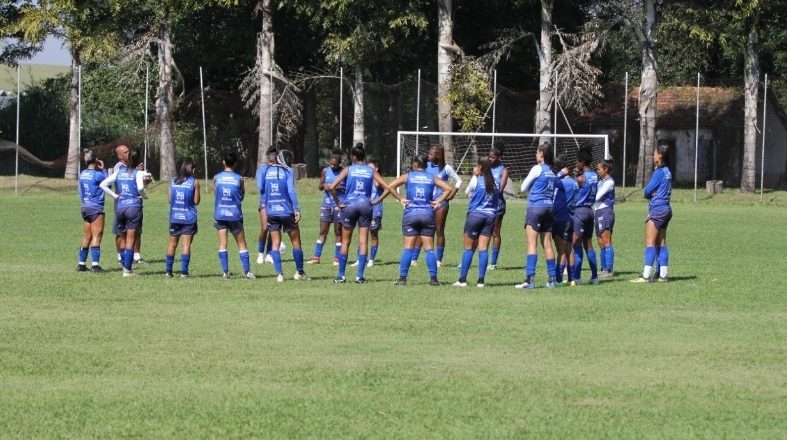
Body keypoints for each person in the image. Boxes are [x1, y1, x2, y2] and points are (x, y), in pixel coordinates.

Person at [327, 143, 403, 284]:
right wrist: (391, 199)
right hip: (366, 206)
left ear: (353, 156)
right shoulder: (370, 171)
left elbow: (332, 187)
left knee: (345, 241)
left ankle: (341, 276)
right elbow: (388, 187)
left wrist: (338, 203)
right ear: (364, 156)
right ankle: (359, 276)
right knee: (363, 241)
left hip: (349, 206)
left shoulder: (348, 169)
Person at [375, 154, 452, 286]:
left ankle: (402, 278)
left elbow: (389, 186)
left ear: (415, 164)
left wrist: (400, 199)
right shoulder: (431, 177)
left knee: (408, 248)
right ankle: (434, 279)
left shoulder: (408, 176)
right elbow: (449, 189)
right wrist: (438, 201)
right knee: (429, 249)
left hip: (411, 214)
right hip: (427, 214)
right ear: (426, 165)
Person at [260, 149, 309, 282]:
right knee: (296, 242)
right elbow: (291, 191)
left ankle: (279, 274)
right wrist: (296, 209)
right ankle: (299, 273)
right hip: (287, 211)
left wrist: (265, 206)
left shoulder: (267, 171)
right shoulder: (288, 171)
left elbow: (263, 190)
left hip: (272, 211)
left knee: (275, 244)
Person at [516, 143, 558, 289]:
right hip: (549, 207)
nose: (535, 155)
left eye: (537, 152)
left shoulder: (537, 168)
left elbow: (522, 187)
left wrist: (533, 190)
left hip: (536, 207)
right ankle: (552, 280)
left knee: (532, 243)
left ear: (541, 154)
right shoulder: (553, 171)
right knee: (547, 244)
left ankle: (530, 280)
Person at [100, 149, 147, 277]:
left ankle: (123, 262)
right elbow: (141, 187)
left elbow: (103, 184)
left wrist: (115, 196)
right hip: (133, 207)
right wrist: (144, 196)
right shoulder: (137, 173)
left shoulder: (119, 171)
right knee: (131, 238)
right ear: (137, 160)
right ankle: (127, 270)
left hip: (120, 207)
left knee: (123, 237)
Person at [453, 158, 499, 288]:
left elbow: (467, 192)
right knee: (483, 249)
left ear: (481, 168)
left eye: (476, 166)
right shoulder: (496, 182)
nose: (475, 168)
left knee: (468, 249)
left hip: (475, 215)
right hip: (490, 217)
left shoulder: (476, 179)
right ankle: (480, 281)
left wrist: (474, 177)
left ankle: (462, 280)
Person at [632, 145, 672, 283]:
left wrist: (651, 192)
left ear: (660, 156)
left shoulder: (659, 172)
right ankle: (663, 275)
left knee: (650, 242)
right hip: (666, 209)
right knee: (662, 242)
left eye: (654, 154)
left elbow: (647, 191)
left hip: (657, 209)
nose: (653, 156)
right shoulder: (667, 171)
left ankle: (646, 275)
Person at [418, 145, 462, 267]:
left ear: (438, 155)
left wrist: (453, 193)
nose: (429, 155)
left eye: (431, 154)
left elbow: (459, 180)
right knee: (423, 229)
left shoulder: (446, 168)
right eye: (429, 153)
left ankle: (438, 260)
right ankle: (414, 259)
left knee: (439, 230)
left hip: (441, 203)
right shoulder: (426, 165)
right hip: (426, 202)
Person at [214, 150, 255, 279]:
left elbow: (216, 194)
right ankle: (247, 272)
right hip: (235, 214)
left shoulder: (216, 178)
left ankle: (225, 272)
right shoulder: (239, 179)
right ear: (235, 164)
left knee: (222, 244)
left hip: (220, 213)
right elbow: (241, 196)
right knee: (241, 244)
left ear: (223, 162)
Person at [307, 150, 345, 265]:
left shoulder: (344, 172)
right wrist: (324, 186)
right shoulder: (325, 170)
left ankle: (337, 258)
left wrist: (337, 187)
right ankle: (316, 257)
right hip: (326, 205)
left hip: (339, 204)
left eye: (335, 164)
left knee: (338, 232)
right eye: (331, 164)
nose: (333, 166)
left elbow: (347, 187)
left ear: (339, 163)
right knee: (323, 231)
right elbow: (320, 186)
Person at [165, 159, 200, 278]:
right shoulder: (194, 182)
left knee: (172, 244)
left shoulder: (173, 180)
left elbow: (170, 200)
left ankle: (168, 271)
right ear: (192, 169)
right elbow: (196, 201)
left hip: (175, 217)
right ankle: (184, 272)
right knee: (186, 245)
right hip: (188, 218)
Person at [572, 146, 600, 284]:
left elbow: (572, 187)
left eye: (577, 162)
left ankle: (576, 278)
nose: (576, 164)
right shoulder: (594, 175)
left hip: (580, 212)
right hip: (590, 211)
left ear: (582, 161)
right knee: (588, 243)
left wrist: (575, 176)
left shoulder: (581, 178)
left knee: (576, 242)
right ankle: (595, 276)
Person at [77, 149, 107, 273]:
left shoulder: (82, 174)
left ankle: (81, 264)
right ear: (95, 160)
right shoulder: (98, 174)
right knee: (97, 236)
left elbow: (81, 191)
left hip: (85, 206)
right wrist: (103, 169)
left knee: (87, 236)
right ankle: (95, 265)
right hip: (95, 207)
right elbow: (108, 184)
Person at [255, 147, 285, 264]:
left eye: (275, 155)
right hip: (265, 202)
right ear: (268, 157)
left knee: (274, 228)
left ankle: (269, 254)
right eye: (271, 155)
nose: (273, 157)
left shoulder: (281, 169)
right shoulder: (263, 170)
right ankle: (260, 253)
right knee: (265, 227)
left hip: (278, 202)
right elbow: (261, 186)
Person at [552, 154, 578, 285]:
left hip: (560, 218)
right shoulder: (574, 182)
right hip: (571, 218)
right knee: (569, 250)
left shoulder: (562, 182)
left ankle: (558, 279)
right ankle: (572, 279)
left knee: (561, 250)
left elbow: (551, 182)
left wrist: (559, 174)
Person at [352, 160, 384, 268]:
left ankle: (371, 259)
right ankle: (359, 259)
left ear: (376, 169)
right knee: (361, 235)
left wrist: (374, 175)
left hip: (375, 211)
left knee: (373, 235)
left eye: (371, 168)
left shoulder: (378, 179)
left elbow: (378, 184)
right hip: (363, 210)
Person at [488, 141, 509, 270]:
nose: (490, 159)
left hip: (497, 204)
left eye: (493, 157)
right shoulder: (485, 167)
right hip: (484, 204)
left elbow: (500, 189)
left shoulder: (504, 169)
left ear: (499, 157)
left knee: (495, 233)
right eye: (489, 157)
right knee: (479, 232)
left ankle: (493, 263)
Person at [594, 160, 616, 278]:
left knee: (606, 241)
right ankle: (603, 268)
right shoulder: (600, 181)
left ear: (606, 169)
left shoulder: (609, 182)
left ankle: (609, 269)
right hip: (597, 212)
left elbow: (597, 196)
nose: (598, 171)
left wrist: (588, 198)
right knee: (600, 242)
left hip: (605, 211)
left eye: (599, 169)